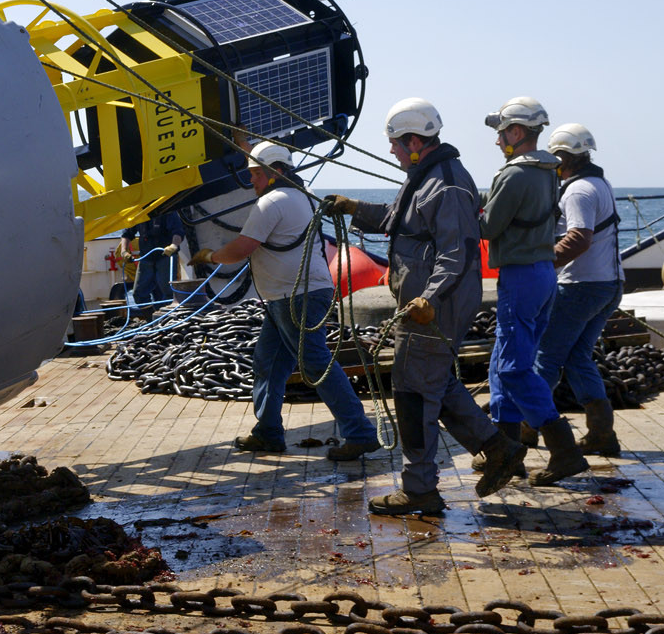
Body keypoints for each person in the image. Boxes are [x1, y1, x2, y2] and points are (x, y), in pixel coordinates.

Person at [325, 98, 526, 516]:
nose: (393, 151)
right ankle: (498, 447)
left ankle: (420, 489)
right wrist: (352, 208)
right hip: (426, 305)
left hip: (436, 307)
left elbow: (457, 254)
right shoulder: (426, 177)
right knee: (436, 384)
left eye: (397, 144)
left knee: (412, 394)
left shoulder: (447, 184)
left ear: (415, 141)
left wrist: (427, 298)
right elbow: (400, 220)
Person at [191, 141, 380, 459]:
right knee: (268, 363)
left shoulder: (272, 202)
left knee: (316, 365)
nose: (252, 181)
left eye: (255, 175)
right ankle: (268, 432)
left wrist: (209, 255)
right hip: (291, 296)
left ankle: (360, 433)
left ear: (274, 171)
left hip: (296, 297)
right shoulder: (298, 197)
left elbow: (241, 249)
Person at [480, 96, 588, 485]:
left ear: (516, 132)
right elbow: (513, 209)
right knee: (502, 362)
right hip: (543, 274)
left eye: (500, 133)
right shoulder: (546, 169)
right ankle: (507, 450)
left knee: (513, 368)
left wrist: (447, 211)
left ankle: (564, 451)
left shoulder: (512, 174)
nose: (497, 141)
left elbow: (488, 228)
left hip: (522, 277)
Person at [534, 123, 624, 456]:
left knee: (545, 358)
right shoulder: (601, 184)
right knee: (576, 357)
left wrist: (540, 264)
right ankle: (601, 434)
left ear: (561, 158)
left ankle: (527, 428)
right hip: (610, 286)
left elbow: (578, 239)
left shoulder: (576, 191)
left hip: (580, 287)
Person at [131, 209, 186, 316]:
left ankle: (167, 320)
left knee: (168, 293)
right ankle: (152, 320)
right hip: (146, 258)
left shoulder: (168, 210)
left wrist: (174, 245)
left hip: (165, 256)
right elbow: (127, 233)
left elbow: (177, 231)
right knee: (138, 293)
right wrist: (124, 251)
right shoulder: (136, 211)